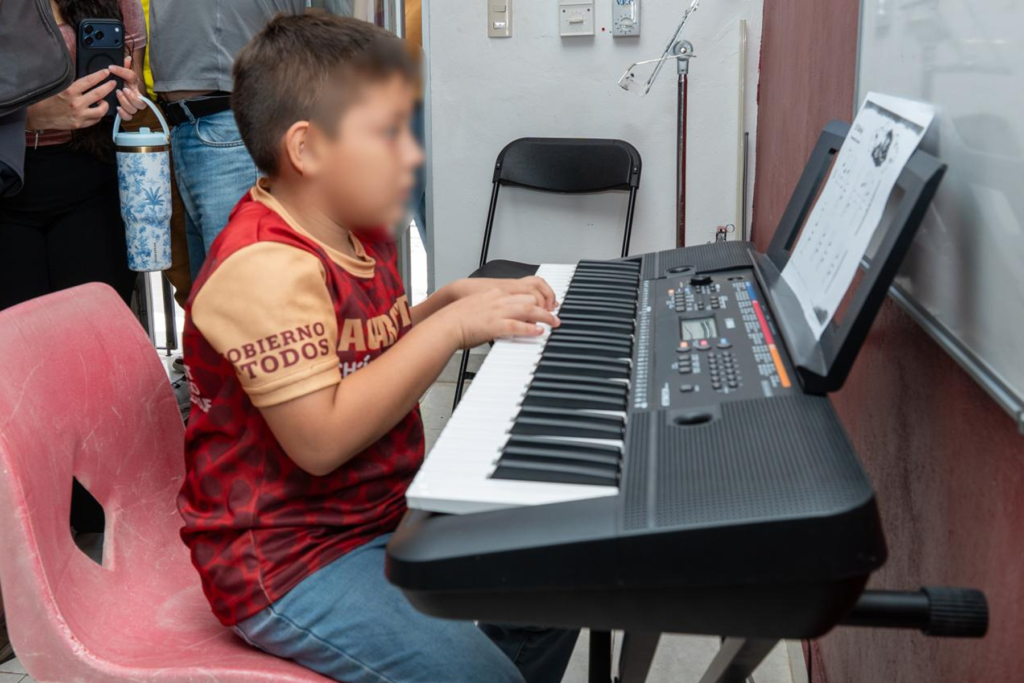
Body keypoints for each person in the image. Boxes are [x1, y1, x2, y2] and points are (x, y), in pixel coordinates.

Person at [177, 14, 577, 683]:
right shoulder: (262, 266)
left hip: (378, 512)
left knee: (566, 567)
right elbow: (321, 436)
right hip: (287, 558)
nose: (410, 153)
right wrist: (448, 331)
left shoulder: (359, 228)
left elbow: (365, 346)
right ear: (306, 150)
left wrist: (445, 302)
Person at [148, 0, 351, 280]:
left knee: (245, 295)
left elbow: (346, 16)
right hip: (192, 127)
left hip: (236, 124)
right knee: (218, 301)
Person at [0, 0, 147, 312]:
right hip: (8, 183)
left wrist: (131, 97)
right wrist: (29, 117)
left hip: (93, 178)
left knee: (93, 334)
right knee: (19, 345)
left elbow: (137, 86)